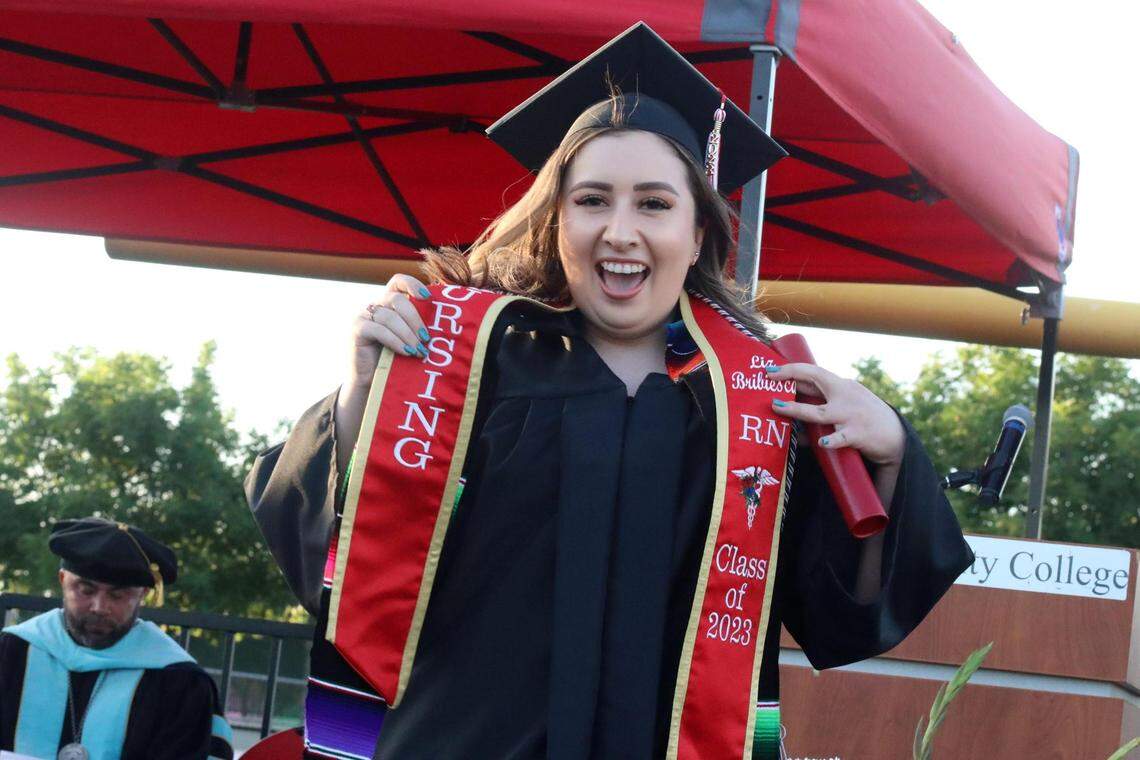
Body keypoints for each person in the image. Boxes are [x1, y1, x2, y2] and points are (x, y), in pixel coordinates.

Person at [246, 23, 973, 760]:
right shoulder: (469, 370)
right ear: (556, 222)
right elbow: (335, 574)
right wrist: (364, 396)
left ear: (698, 237)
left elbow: (841, 613)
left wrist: (890, 454)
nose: (620, 231)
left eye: (654, 205)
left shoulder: (755, 406)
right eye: (593, 200)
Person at [0, 517, 234, 760]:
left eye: (117, 595)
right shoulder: (12, 652)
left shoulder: (178, 680)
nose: (99, 607)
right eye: (86, 590)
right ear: (62, 580)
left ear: (142, 593)